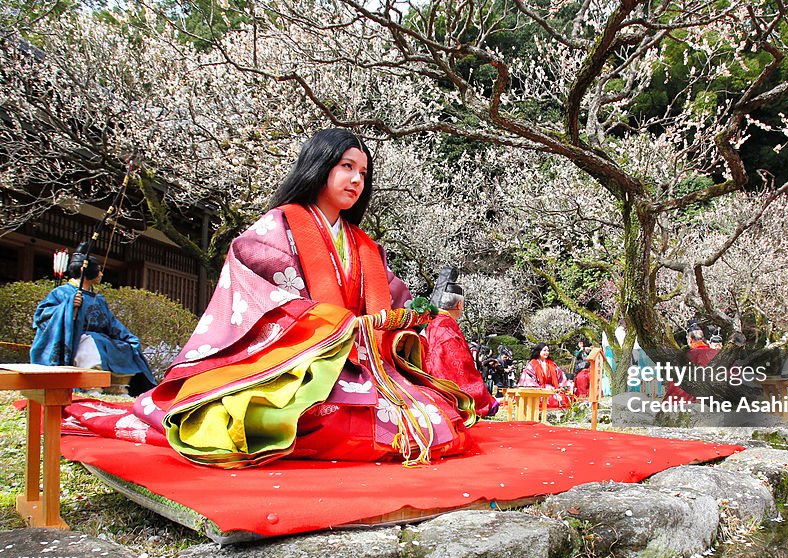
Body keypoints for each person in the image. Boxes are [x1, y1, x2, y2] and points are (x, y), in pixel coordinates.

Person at [134, 129, 475, 468]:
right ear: (319, 165)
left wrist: (411, 317)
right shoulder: (276, 228)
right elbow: (257, 283)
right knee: (307, 415)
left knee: (435, 416)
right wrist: (336, 325)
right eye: (346, 166)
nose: (356, 179)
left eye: (363, 173)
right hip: (300, 362)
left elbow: (394, 300)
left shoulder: (365, 247)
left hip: (361, 362)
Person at [30, 242, 157, 396]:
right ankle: (91, 385)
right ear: (85, 270)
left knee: (125, 346)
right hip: (78, 338)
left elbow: (111, 323)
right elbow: (42, 316)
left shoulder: (99, 299)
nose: (101, 274)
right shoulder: (61, 293)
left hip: (102, 338)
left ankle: (117, 386)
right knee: (92, 343)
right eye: (98, 270)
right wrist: (69, 308)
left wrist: (128, 337)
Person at [421, 281, 499, 417]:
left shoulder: (432, 322)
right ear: (459, 305)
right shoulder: (446, 328)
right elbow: (460, 367)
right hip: (443, 396)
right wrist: (485, 400)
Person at [518, 343, 573, 409]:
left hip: (553, 390)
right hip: (538, 390)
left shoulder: (552, 364)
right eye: (544, 350)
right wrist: (541, 389)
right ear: (539, 351)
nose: (547, 352)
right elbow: (528, 379)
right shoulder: (532, 364)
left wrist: (563, 386)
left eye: (548, 350)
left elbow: (561, 377)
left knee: (563, 399)